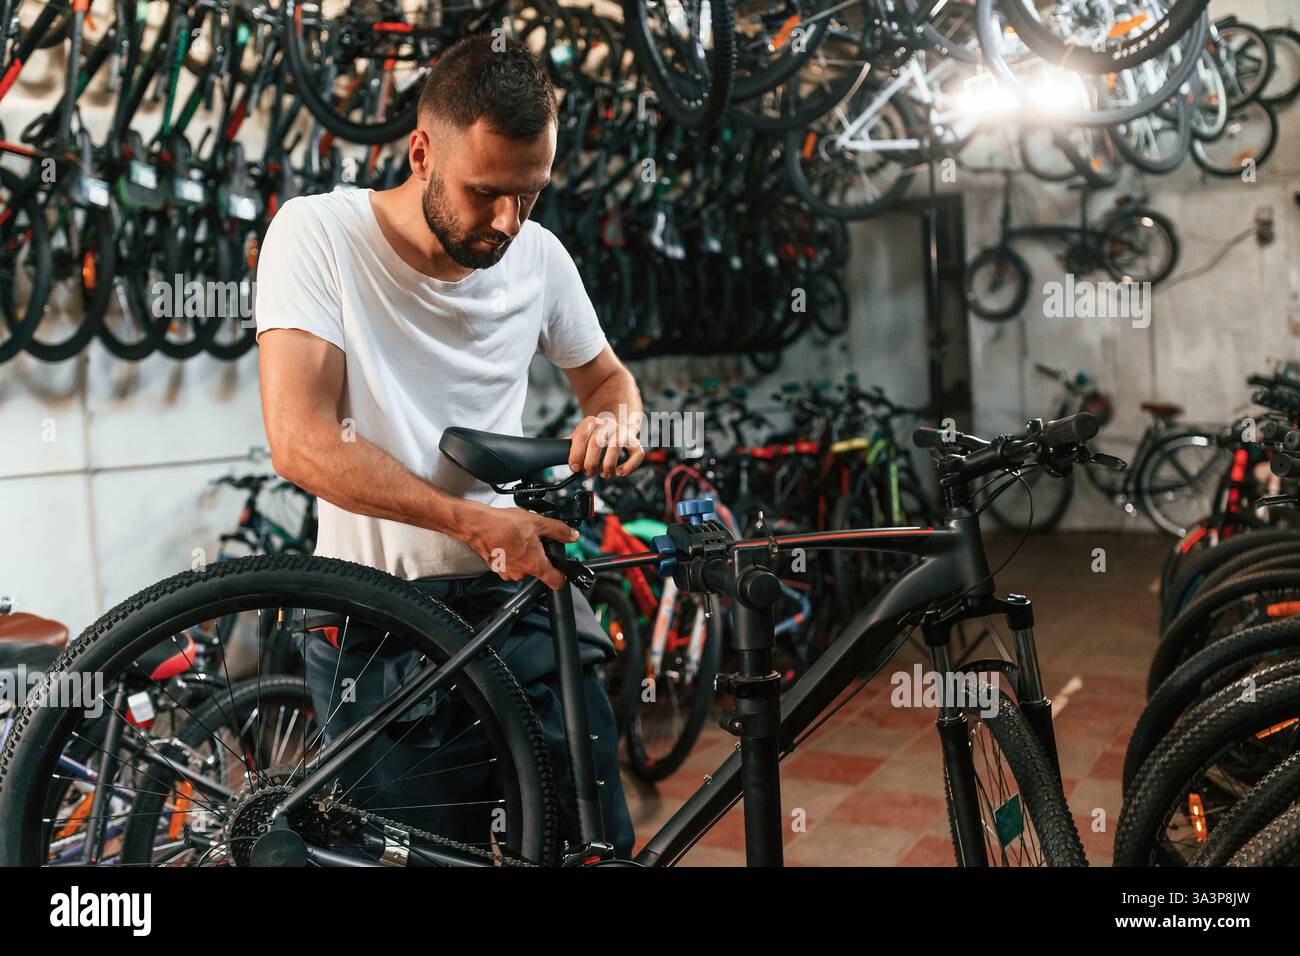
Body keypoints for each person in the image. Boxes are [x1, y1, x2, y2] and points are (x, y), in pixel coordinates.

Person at [254, 35, 642, 858]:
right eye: (486, 192)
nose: (507, 221)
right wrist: (470, 521)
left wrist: (615, 422)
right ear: (421, 151)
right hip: (378, 620)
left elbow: (608, 381)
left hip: (516, 597)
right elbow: (301, 441)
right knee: (423, 853)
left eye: (530, 194)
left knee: (588, 843)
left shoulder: (538, 256)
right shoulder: (317, 234)